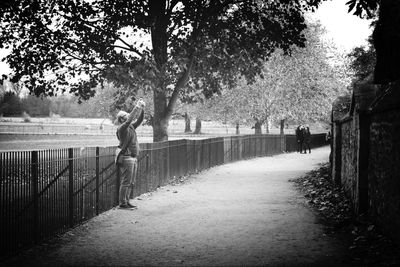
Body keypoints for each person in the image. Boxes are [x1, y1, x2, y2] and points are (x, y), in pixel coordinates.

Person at [115, 99, 146, 209]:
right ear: (122, 119)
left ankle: (126, 201)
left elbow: (140, 120)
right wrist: (136, 107)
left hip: (133, 157)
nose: (128, 117)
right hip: (127, 158)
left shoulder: (131, 127)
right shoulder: (122, 128)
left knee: (131, 182)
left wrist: (142, 109)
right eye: (126, 116)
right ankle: (122, 203)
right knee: (126, 181)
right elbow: (129, 120)